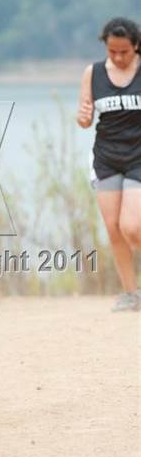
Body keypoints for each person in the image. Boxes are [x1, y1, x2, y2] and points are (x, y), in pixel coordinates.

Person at [77, 17, 141, 312]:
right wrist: (83, 115)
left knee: (132, 226)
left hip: (138, 156)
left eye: (124, 52)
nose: (117, 57)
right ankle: (131, 293)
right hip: (106, 157)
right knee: (114, 228)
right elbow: (84, 118)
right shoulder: (94, 72)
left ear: (135, 46)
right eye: (112, 51)